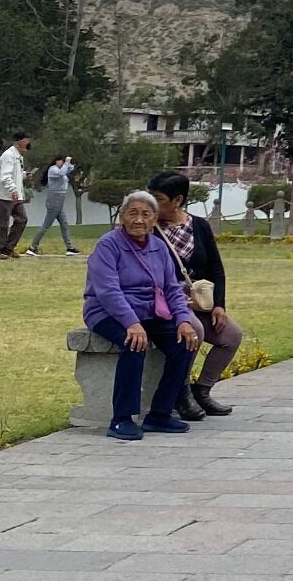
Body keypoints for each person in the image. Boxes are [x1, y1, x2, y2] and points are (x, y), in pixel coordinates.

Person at [81, 190, 202, 441]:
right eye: (132, 213)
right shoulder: (108, 245)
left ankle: (159, 413)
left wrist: (183, 320)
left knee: (186, 344)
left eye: (146, 214)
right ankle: (122, 419)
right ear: (122, 217)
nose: (139, 220)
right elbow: (108, 291)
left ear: (154, 219)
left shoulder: (158, 247)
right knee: (134, 343)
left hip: (150, 311)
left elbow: (172, 288)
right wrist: (132, 323)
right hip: (107, 311)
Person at [148, 170, 243, 421]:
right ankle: (180, 391)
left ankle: (202, 390)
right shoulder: (149, 228)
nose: (152, 204)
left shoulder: (198, 225)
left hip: (200, 300)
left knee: (231, 335)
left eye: (159, 198)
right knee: (195, 332)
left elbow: (215, 268)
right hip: (168, 302)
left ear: (177, 200)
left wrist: (219, 306)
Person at [0, 132, 32, 260]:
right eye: (26, 140)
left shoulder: (18, 157)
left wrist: (24, 175)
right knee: (3, 223)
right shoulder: (9, 156)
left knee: (22, 219)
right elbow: (5, 176)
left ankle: (8, 248)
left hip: (16, 195)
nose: (28, 143)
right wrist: (12, 189)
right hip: (5, 195)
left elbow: (14, 174)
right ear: (19, 141)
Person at [25, 154, 80, 256]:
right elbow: (62, 172)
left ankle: (70, 247)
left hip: (59, 199)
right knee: (46, 225)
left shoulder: (62, 168)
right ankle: (33, 247)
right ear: (57, 161)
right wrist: (66, 162)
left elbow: (70, 168)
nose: (63, 163)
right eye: (61, 161)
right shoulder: (53, 170)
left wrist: (68, 162)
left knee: (64, 224)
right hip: (54, 199)